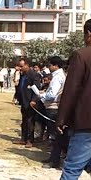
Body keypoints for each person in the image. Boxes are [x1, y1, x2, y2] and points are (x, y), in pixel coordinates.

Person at [57, 19, 91, 179]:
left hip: (86, 124)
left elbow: (71, 91)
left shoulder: (81, 55)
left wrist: (61, 119)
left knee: (71, 170)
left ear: (89, 34)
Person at [32, 56, 67, 169]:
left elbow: (52, 94)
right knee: (55, 136)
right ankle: (53, 158)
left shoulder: (57, 77)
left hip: (53, 108)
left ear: (55, 65)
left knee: (55, 136)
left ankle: (55, 161)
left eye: (50, 65)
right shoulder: (59, 75)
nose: (49, 67)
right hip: (54, 107)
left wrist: (41, 96)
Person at [13, 59, 40, 148]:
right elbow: (20, 86)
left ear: (27, 65)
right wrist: (16, 96)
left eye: (21, 66)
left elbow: (37, 89)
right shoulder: (23, 75)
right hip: (23, 101)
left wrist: (34, 100)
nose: (20, 68)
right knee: (24, 120)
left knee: (30, 121)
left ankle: (29, 140)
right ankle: (23, 138)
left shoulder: (34, 75)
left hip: (30, 102)